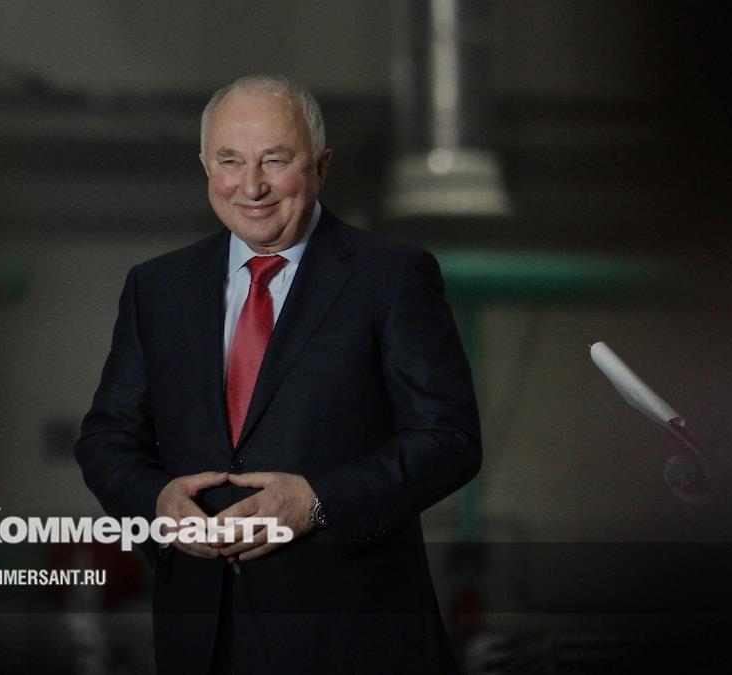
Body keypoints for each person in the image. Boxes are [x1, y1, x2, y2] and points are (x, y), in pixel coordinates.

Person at [75, 74, 481, 674]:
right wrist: (156, 502)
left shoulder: (392, 277)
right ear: (205, 166)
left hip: (353, 642)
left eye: (275, 160)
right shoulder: (157, 288)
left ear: (321, 166)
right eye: (230, 161)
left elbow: (449, 440)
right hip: (202, 640)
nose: (252, 186)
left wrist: (318, 503)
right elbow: (107, 437)